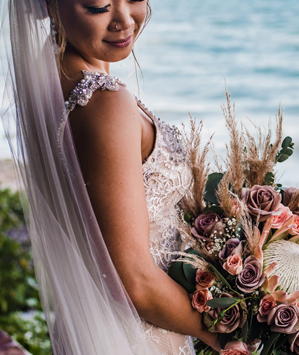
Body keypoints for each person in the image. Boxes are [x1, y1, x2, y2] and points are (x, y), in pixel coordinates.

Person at [1, 0, 219, 353]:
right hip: (140, 338)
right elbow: (134, 281)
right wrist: (234, 331)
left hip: (94, 332)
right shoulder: (104, 102)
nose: (124, 20)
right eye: (98, 6)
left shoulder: (49, 77)